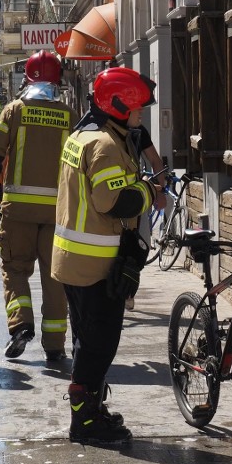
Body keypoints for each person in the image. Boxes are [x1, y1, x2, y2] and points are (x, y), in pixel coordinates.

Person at [51, 66, 159, 443]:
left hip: (74, 260)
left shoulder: (84, 136)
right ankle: (84, 421)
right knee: (99, 343)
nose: (141, 113)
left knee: (86, 338)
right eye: (137, 107)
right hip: (95, 264)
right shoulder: (105, 146)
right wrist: (148, 190)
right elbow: (112, 201)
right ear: (118, 105)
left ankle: (92, 410)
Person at [0, 51, 73, 362]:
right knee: (55, 277)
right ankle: (55, 345)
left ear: (27, 78)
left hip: (18, 211)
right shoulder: (69, 115)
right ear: (58, 79)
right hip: (58, 214)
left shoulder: (14, 110)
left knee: (15, 269)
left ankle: (21, 325)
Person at [126, 124, 166, 311]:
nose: (141, 110)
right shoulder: (104, 127)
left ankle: (128, 290)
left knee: (140, 246)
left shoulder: (138, 131)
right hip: (115, 198)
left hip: (135, 198)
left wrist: (159, 191)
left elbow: (156, 161)